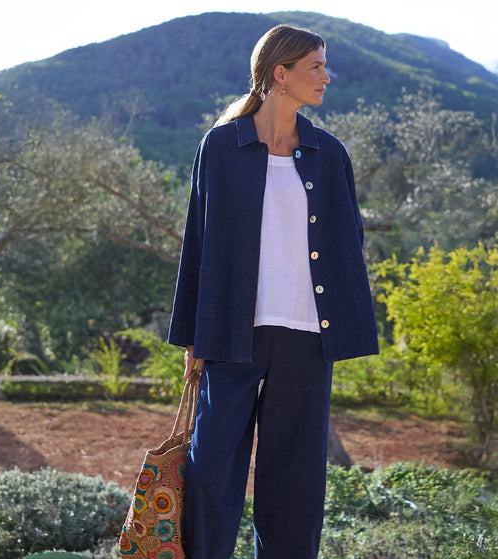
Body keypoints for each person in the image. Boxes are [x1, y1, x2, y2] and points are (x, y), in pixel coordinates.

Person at [167, 23, 379, 558]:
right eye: (316, 67)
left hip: (308, 336)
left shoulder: (329, 154)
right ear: (280, 74)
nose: (327, 77)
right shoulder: (220, 146)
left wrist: (350, 324)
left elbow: (349, 243)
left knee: (295, 482)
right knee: (211, 466)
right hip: (232, 332)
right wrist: (192, 336)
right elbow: (199, 240)